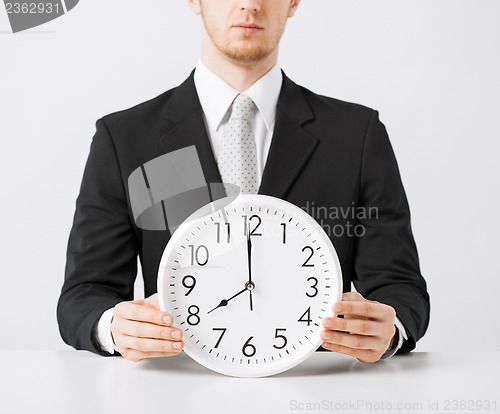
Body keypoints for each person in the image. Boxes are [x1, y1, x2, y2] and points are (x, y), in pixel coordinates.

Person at [57, 0, 430, 364]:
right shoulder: (125, 138)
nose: (250, 4)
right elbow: (85, 293)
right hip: (175, 387)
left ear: (294, 3)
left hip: (314, 387)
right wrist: (115, 327)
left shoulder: (355, 136)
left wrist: (389, 328)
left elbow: (400, 286)